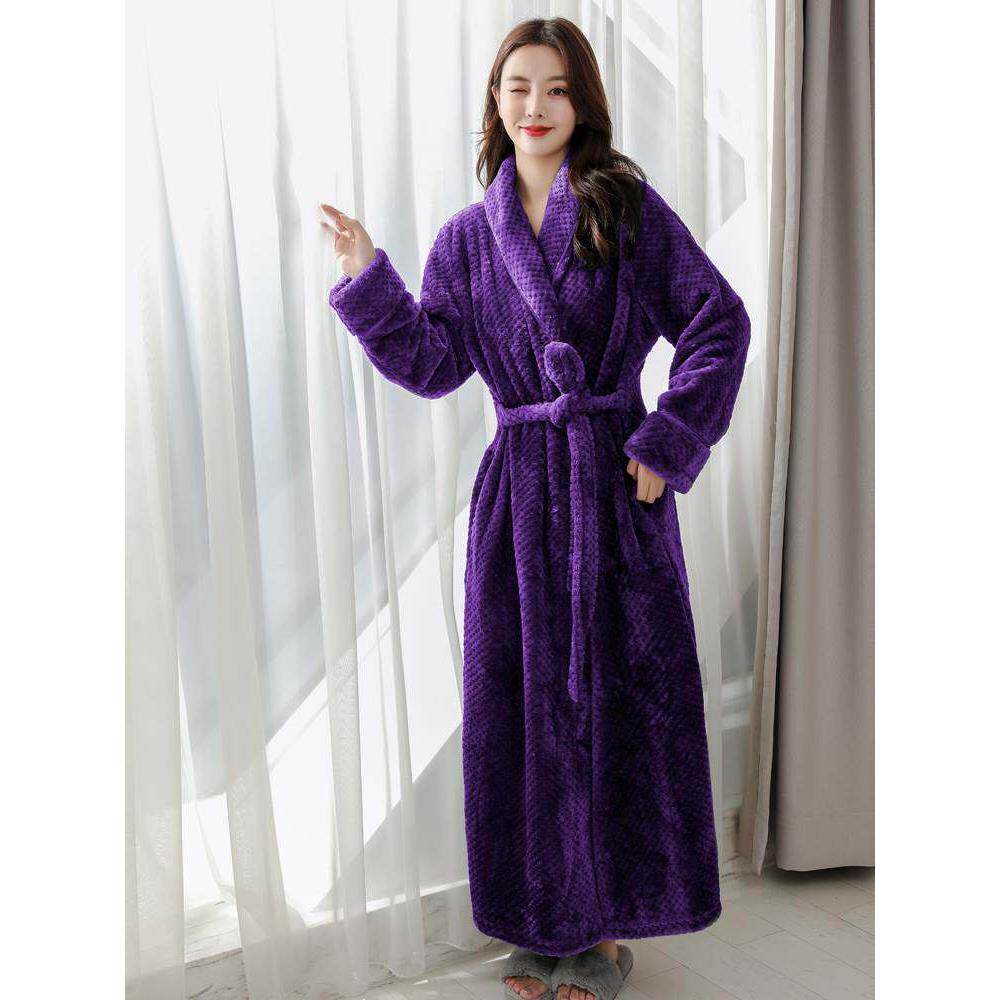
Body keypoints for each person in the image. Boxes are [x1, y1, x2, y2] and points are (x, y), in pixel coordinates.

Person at [320, 17, 750, 1000]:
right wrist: (366, 277)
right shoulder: (467, 240)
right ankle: (538, 924)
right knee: (519, 711)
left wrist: (667, 441)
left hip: (613, 492)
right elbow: (435, 363)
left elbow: (716, 322)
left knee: (619, 704)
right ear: (495, 100)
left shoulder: (625, 212)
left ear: (582, 102)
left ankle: (601, 936)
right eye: (518, 86)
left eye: (555, 88)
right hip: (516, 502)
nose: (535, 105)